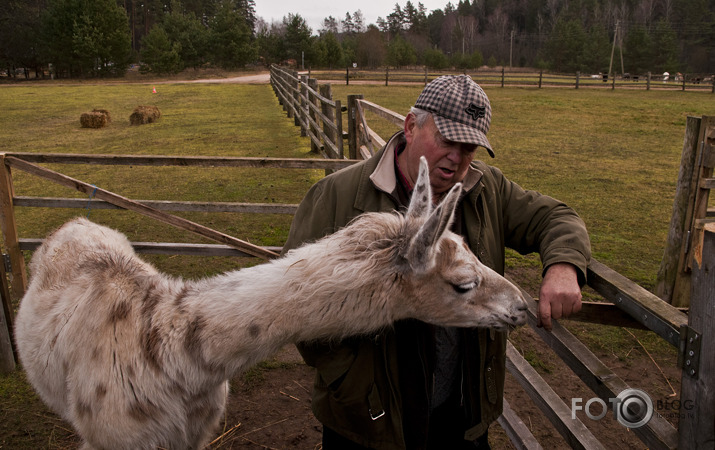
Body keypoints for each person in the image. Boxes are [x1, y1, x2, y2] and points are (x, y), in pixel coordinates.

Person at [282, 75, 591, 449]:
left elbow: (556, 217)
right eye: (447, 140)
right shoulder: (338, 196)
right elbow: (293, 300)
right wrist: (353, 385)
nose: (457, 158)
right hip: (368, 422)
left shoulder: (485, 190)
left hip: (458, 416)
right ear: (411, 126)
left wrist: (563, 265)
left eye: (470, 147)